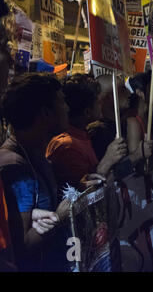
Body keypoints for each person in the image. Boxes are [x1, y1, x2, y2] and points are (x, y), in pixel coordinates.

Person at [0, 74, 103, 271]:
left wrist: (80, 189)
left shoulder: (35, 154)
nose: (67, 107)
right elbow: (21, 245)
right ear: (46, 113)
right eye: (62, 101)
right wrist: (59, 216)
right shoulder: (15, 167)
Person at [46, 74, 129, 193]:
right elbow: (78, 197)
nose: (101, 105)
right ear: (87, 112)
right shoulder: (67, 146)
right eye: (98, 102)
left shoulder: (83, 135)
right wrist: (107, 161)